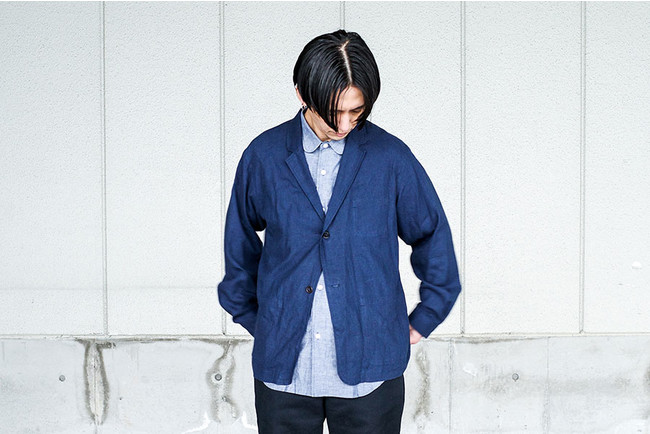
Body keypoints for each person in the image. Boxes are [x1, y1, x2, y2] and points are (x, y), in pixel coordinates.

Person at [218, 30, 461, 434]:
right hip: (284, 371)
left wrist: (426, 315)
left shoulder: (390, 158)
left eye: (356, 111)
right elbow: (239, 243)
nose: (345, 124)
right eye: (334, 112)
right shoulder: (264, 156)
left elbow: (431, 233)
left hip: (371, 370)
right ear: (302, 94)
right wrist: (261, 320)